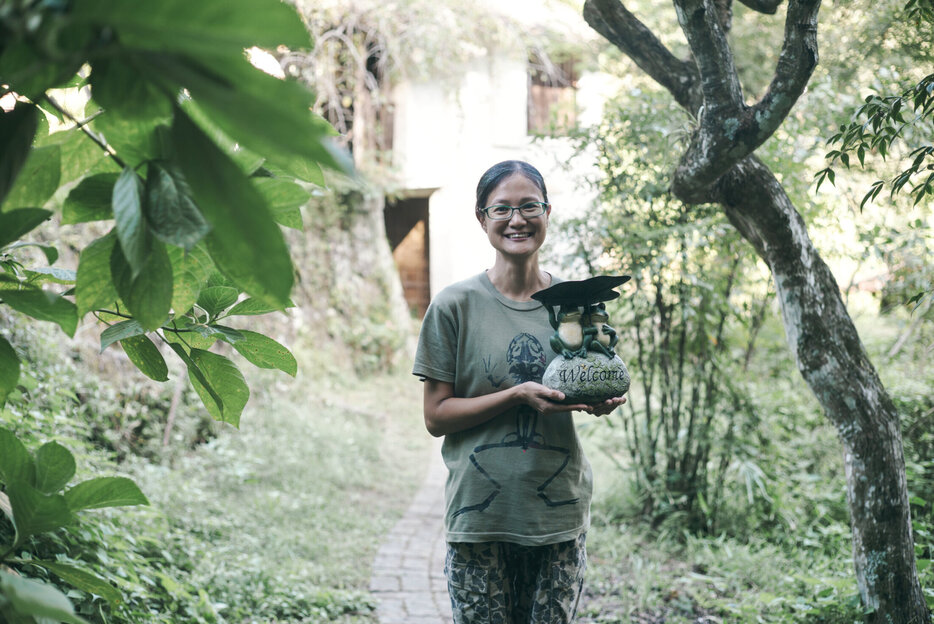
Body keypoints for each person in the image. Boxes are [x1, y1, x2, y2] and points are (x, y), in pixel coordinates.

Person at [412, 160, 627, 623]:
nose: (517, 220)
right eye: (502, 209)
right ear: (481, 217)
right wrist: (514, 396)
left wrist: (600, 400)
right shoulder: (455, 305)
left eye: (530, 206)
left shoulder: (576, 303)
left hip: (557, 516)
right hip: (479, 516)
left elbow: (592, 374)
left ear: (548, 212)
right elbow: (435, 416)